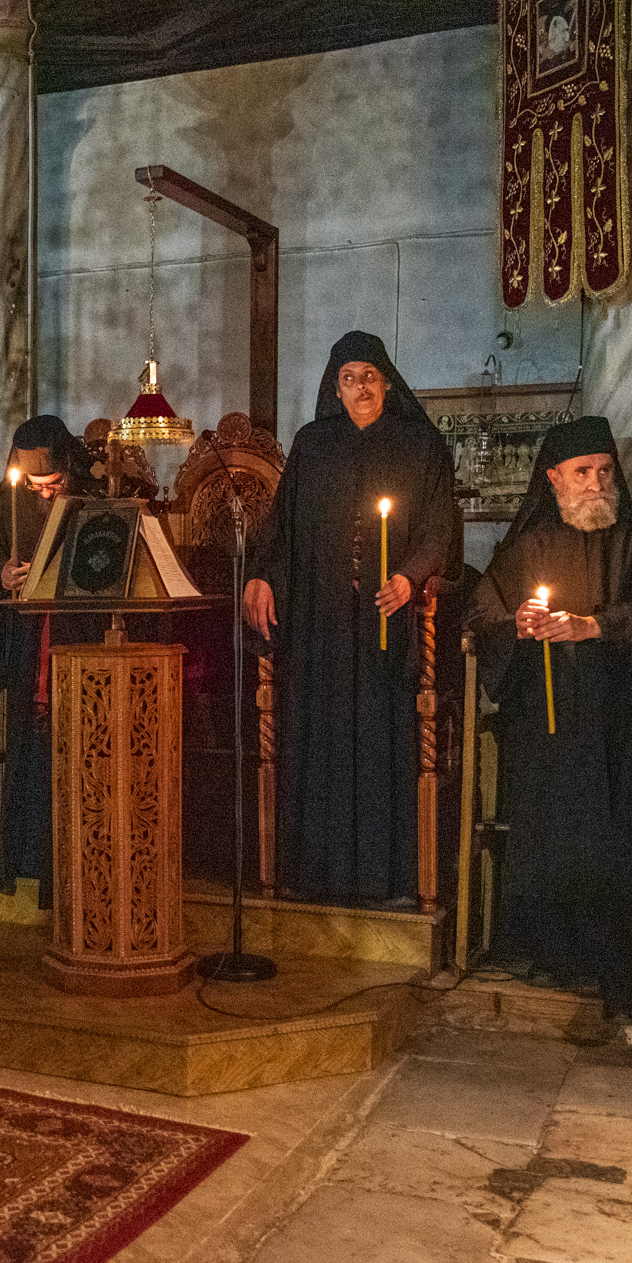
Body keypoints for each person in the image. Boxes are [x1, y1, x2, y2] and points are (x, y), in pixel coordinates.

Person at [466, 416, 632, 1024]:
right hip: (545, 718)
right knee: (550, 829)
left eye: (605, 471)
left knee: (612, 834)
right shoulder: (531, 542)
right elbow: (483, 611)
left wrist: (594, 626)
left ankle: (615, 970)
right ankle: (551, 954)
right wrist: (518, 625)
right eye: (582, 472)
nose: (596, 484)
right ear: (553, 478)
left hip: (611, 713)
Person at [244, 331, 459, 907]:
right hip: (325, 628)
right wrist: (260, 575)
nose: (360, 387)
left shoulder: (420, 445)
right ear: (334, 389)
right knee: (323, 745)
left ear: (387, 383)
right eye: (348, 378)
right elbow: (281, 530)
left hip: (387, 627)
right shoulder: (313, 445)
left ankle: (387, 879)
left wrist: (409, 576)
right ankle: (318, 875)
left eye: (369, 376)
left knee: (384, 745)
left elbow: (439, 528)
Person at [0, 414, 105, 894]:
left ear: (69, 469)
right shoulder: (10, 497)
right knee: (31, 749)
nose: (44, 494)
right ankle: (26, 865)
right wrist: (2, 573)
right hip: (30, 641)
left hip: (81, 635)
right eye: (35, 485)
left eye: (54, 484)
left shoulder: (94, 494)